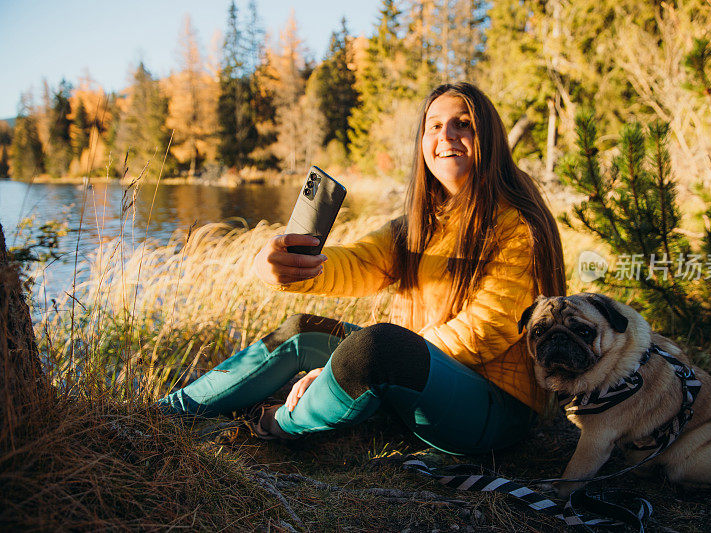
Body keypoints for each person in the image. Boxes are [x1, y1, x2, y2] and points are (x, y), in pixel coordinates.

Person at [158, 82, 566, 455]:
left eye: (463, 124)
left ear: (490, 138)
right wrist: (291, 266)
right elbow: (357, 263)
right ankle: (167, 412)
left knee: (380, 347)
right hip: (426, 373)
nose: (446, 136)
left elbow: (484, 330)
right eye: (435, 126)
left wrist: (338, 367)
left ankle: (274, 424)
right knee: (303, 329)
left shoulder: (519, 224)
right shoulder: (421, 224)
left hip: (493, 410)